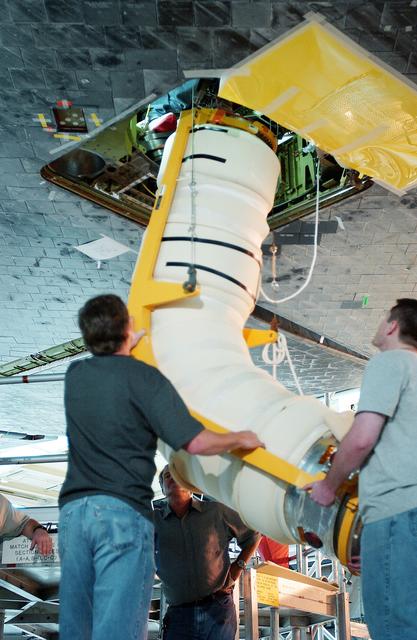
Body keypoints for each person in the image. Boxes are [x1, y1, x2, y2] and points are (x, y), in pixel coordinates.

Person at [58, 294, 264, 640]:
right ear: (128, 329)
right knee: (119, 625)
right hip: (121, 513)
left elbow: (108, 369)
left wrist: (124, 345)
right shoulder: (144, 378)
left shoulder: (75, 375)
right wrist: (240, 438)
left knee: (78, 623)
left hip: (75, 515)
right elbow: (195, 443)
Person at [305, 298, 417, 640]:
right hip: (404, 524)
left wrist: (327, 487)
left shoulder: (391, 362)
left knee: (396, 628)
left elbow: (361, 438)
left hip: (396, 514)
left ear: (392, 326)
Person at [155, 465, 260, 640]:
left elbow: (253, 534)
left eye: (179, 474)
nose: (173, 477)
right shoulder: (153, 522)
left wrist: (239, 566)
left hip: (217, 610)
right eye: (167, 475)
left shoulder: (216, 512)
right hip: (179, 615)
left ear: (191, 485)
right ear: (163, 489)